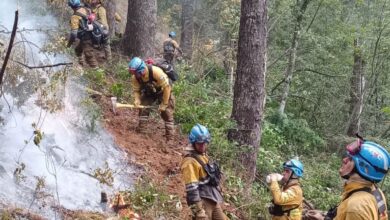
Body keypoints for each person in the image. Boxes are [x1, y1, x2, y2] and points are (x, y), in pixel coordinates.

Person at [306, 138, 389, 220]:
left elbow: (355, 212)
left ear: (364, 167)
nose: (344, 160)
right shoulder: (375, 191)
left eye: (350, 159)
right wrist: (323, 218)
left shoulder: (356, 207)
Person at [181, 124, 227, 220]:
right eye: (199, 143)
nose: (202, 146)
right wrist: (199, 210)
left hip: (211, 198)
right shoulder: (189, 162)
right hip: (202, 200)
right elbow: (192, 189)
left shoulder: (202, 155)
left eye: (204, 143)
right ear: (193, 142)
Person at [128, 57, 175, 142]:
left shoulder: (156, 72)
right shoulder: (135, 77)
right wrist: (137, 99)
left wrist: (164, 104)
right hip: (149, 92)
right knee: (143, 109)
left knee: (167, 113)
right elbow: (136, 90)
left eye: (135, 73)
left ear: (141, 70)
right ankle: (142, 132)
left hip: (163, 91)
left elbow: (167, 88)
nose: (134, 75)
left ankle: (170, 139)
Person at [67, 0, 98, 68]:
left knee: (89, 55)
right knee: (78, 50)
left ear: (72, 6)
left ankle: (97, 73)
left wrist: (69, 44)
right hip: (92, 33)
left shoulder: (75, 17)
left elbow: (73, 34)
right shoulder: (85, 9)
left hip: (86, 38)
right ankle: (81, 65)